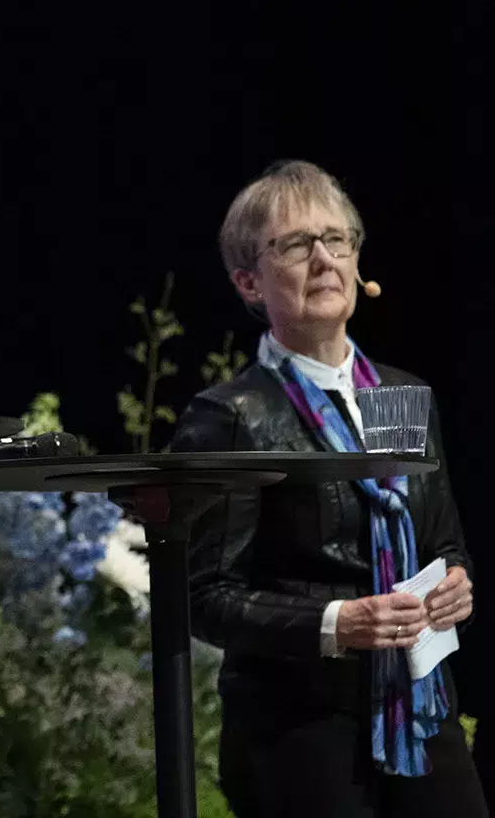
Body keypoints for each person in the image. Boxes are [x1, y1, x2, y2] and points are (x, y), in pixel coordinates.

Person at [174, 160, 485, 817]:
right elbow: (201, 597)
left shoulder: (402, 396)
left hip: (418, 708)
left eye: (336, 239)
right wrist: (337, 623)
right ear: (247, 282)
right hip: (299, 727)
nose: (322, 258)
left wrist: (453, 581)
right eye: (293, 244)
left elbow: (442, 543)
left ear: (357, 260)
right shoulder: (233, 416)